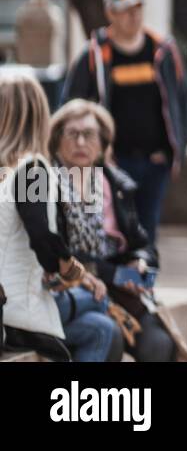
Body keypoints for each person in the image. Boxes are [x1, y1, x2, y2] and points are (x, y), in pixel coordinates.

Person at [62, 0, 187, 242]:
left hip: (154, 162)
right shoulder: (94, 55)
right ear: (110, 12)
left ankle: (144, 283)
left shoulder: (163, 51)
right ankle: (114, 284)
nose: (134, 17)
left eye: (138, 8)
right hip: (110, 164)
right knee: (111, 232)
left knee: (147, 233)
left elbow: (182, 100)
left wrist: (175, 150)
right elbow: (70, 109)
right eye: (125, 10)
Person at [0, 73, 116, 362]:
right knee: (101, 303)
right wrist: (72, 271)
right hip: (15, 313)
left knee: (100, 328)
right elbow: (42, 237)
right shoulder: (32, 169)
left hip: (12, 306)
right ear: (39, 115)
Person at [50, 99, 177, 362]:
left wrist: (139, 263)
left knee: (160, 345)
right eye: (72, 134)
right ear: (56, 139)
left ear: (104, 142)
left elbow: (143, 242)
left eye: (89, 135)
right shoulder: (46, 184)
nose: (81, 143)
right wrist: (116, 274)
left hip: (122, 291)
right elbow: (55, 252)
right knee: (110, 337)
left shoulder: (116, 184)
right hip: (76, 288)